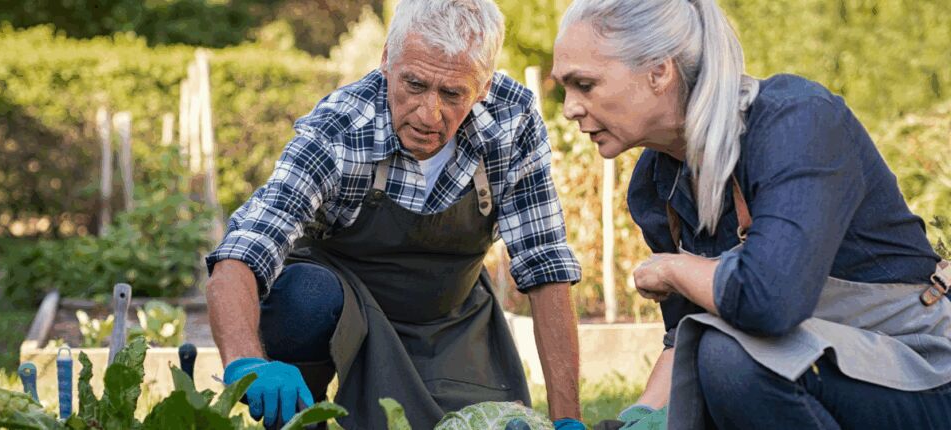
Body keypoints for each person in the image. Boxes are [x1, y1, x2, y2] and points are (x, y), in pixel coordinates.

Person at [551, 0, 951, 429]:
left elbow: (770, 299)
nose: (569, 107)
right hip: (813, 366)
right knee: (714, 357)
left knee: (729, 359)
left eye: (585, 85)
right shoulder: (655, 186)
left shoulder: (796, 123)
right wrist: (640, 417)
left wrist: (673, 268)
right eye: (564, 88)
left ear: (659, 72)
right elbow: (686, 332)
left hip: (918, 366)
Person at [205, 1, 587, 428]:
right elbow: (244, 250)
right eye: (415, 84)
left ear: (483, 88)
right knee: (305, 296)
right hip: (345, 310)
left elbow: (545, 265)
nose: (428, 114)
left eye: (452, 94)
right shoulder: (341, 130)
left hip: (450, 317)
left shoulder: (511, 122)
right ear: (387, 58)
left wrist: (567, 420)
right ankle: (299, 417)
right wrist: (245, 362)